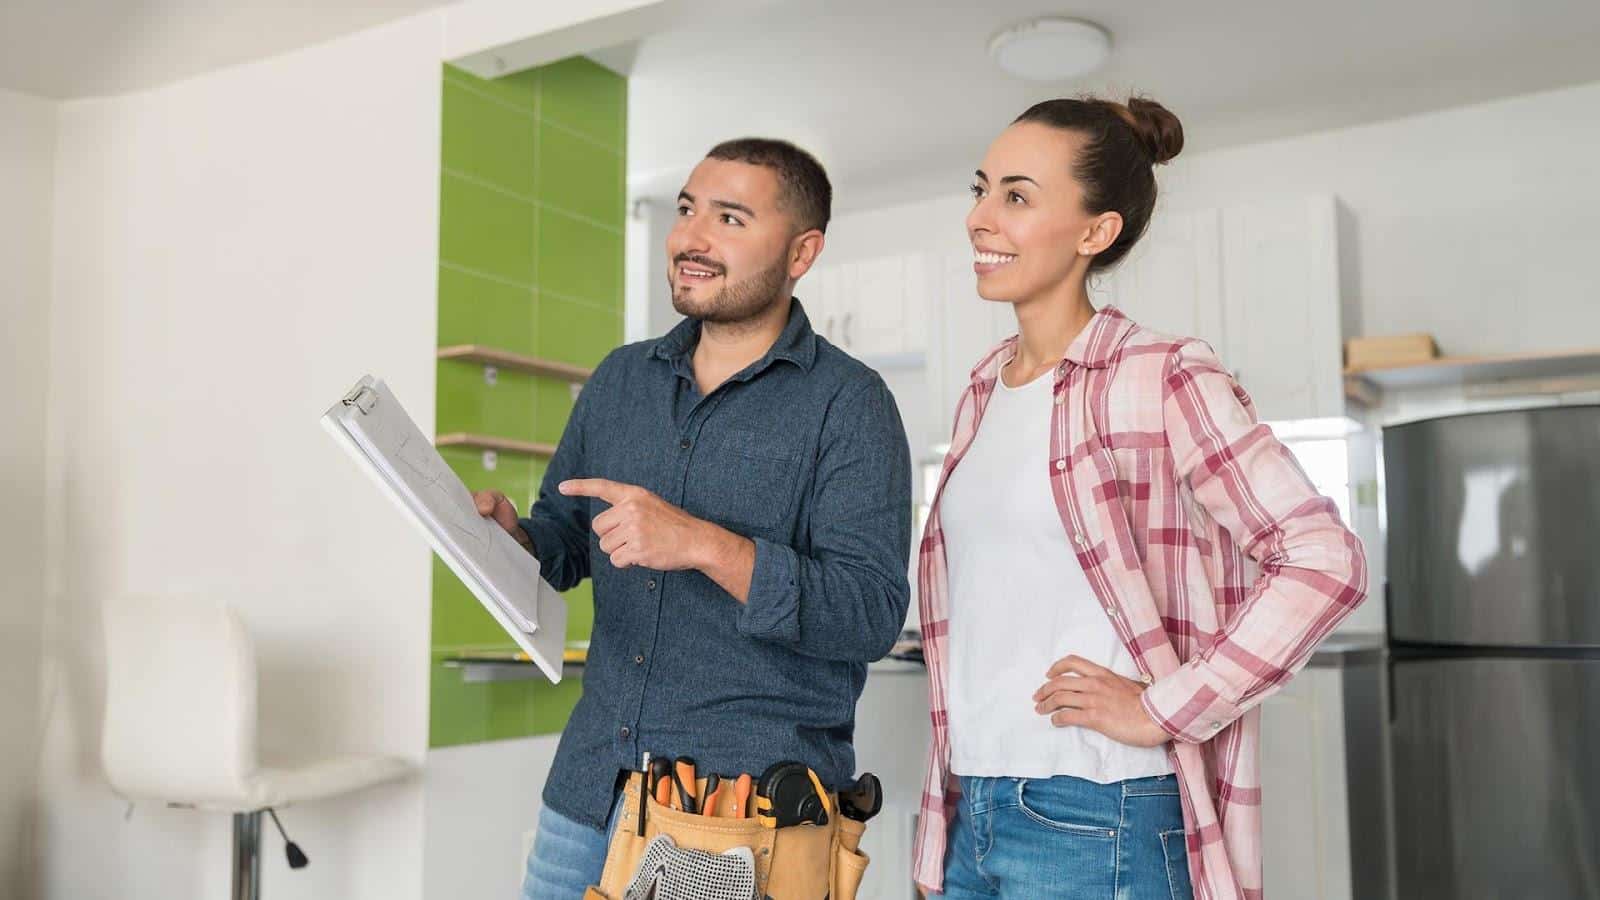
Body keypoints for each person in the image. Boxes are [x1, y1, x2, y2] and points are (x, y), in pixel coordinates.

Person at [913, 97, 1369, 899]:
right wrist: (943, 830)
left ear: (1096, 232)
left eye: (1016, 197)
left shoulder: (1161, 375)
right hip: (973, 809)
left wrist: (1166, 709)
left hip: (1100, 814)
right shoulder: (983, 391)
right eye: (980, 189)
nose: (979, 218)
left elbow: (1324, 560)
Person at [472, 137, 913, 899]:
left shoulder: (851, 403)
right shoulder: (619, 379)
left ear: (802, 251)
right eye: (686, 210)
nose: (691, 238)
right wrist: (513, 539)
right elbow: (566, 542)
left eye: (731, 218)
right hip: (588, 788)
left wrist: (703, 544)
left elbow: (868, 613)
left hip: (739, 813)